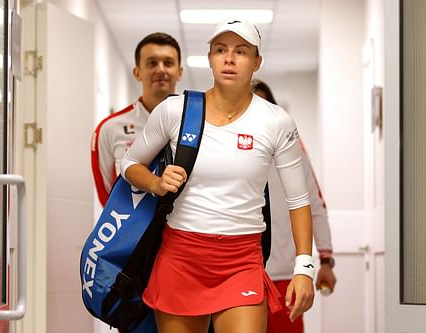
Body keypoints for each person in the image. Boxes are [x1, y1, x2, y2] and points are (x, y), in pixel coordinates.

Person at [120, 18, 315, 333]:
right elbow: (129, 164)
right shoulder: (176, 111)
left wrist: (305, 267)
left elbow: (299, 199)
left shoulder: (276, 121)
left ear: (256, 62)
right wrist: (156, 183)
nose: (229, 58)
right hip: (181, 255)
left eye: (241, 51)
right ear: (209, 57)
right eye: (220, 50)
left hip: (242, 260)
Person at [252, 79, 337, 333]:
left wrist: (326, 260)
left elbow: (315, 204)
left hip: (283, 276)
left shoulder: (293, 150)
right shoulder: (224, 149)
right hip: (237, 275)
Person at [91, 32, 183, 206]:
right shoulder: (110, 128)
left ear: (179, 72)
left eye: (168, 63)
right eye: (152, 63)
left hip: (180, 229)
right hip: (132, 228)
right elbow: (106, 194)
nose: (161, 69)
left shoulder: (195, 124)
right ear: (137, 72)